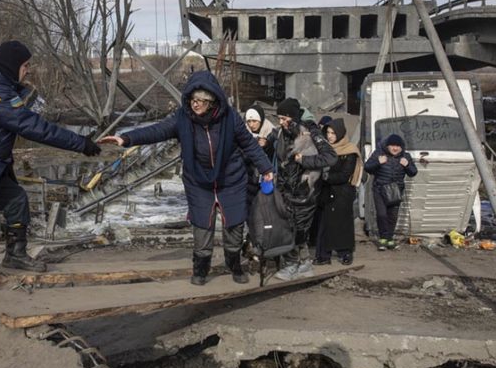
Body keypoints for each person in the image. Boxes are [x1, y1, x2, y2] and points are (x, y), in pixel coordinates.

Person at [0, 41, 101, 316]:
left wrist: (24, 93)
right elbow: (32, 126)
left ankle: (15, 255)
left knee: (16, 202)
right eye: (25, 66)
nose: (28, 70)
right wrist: (80, 143)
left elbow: (17, 110)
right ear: (12, 66)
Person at [99, 71, 274, 286]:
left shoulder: (230, 118)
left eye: (200, 101)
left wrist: (266, 167)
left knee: (234, 227)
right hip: (199, 182)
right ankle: (200, 269)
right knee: (202, 227)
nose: (195, 104)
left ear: (211, 102)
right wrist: (126, 138)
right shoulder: (182, 118)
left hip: (231, 180)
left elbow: (248, 143)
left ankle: (234, 265)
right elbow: (157, 131)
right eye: (193, 100)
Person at [273, 98, 336, 281]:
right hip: (286, 190)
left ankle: (293, 265)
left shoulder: (311, 133)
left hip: (304, 191)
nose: (281, 122)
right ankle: (304, 264)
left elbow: (330, 158)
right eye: (279, 118)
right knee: (294, 228)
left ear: (293, 118)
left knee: (295, 229)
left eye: (284, 118)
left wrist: (304, 160)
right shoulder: (282, 134)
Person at [315, 118, 363, 265]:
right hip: (326, 192)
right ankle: (323, 256)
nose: (330, 136)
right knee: (324, 225)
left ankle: (345, 253)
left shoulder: (350, 151)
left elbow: (345, 174)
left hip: (342, 193)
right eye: (328, 132)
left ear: (340, 134)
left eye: (333, 133)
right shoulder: (324, 149)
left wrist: (326, 176)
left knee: (342, 225)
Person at [364, 133, 417, 250]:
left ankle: (389, 238)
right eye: (392, 145)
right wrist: (378, 162)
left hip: (396, 191)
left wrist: (407, 165)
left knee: (392, 216)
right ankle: (383, 238)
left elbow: (413, 172)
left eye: (398, 146)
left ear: (402, 147)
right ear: (387, 146)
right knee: (382, 214)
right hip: (380, 189)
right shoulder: (379, 154)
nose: (395, 148)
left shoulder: (405, 157)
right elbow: (367, 167)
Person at [243, 104, 276, 203]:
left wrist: (267, 145)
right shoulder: (243, 133)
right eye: (249, 121)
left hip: (266, 179)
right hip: (248, 179)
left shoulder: (271, 132)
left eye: (254, 121)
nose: (251, 124)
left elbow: (275, 156)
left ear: (261, 120)